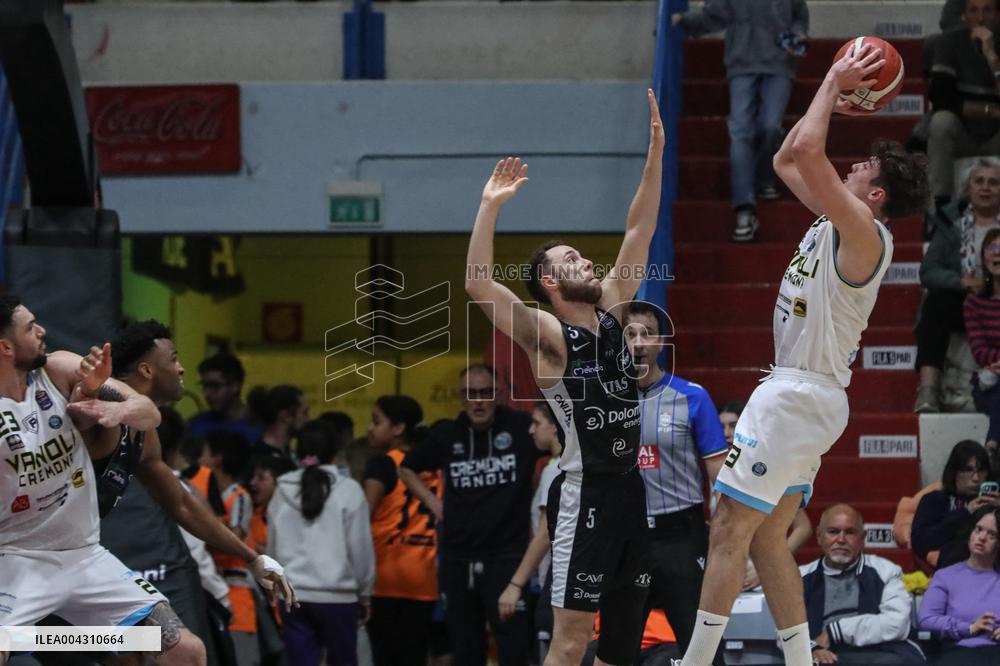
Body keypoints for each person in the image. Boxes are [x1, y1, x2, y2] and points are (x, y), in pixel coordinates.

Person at [680, 45, 931, 666]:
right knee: (768, 541)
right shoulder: (840, 219)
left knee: (728, 529)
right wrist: (832, 97)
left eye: (863, 167)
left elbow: (811, 153)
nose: (850, 167)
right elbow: (787, 156)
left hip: (795, 393)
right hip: (808, 396)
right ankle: (798, 661)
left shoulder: (864, 233)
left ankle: (693, 662)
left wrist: (831, 81)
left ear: (874, 196)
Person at [463, 89, 663, 666]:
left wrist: (655, 154)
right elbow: (479, 285)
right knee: (572, 641)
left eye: (581, 255)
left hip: (630, 492)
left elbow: (640, 227)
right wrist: (490, 206)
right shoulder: (547, 335)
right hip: (584, 493)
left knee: (621, 648)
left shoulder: (615, 307)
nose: (583, 261)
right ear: (549, 283)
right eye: (568, 260)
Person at [398, 366, 539, 666]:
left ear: (498, 395)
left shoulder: (521, 428)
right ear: (460, 398)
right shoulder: (446, 435)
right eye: (470, 394)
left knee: (513, 645)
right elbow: (406, 468)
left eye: (485, 393)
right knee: (465, 648)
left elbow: (557, 441)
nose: (478, 402)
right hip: (457, 557)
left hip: (506, 556)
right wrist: (435, 505)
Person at [621, 300, 728, 665]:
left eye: (646, 334)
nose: (637, 343)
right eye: (628, 334)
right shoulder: (605, 402)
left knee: (701, 648)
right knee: (616, 648)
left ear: (661, 343)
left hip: (681, 537)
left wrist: (725, 539)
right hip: (626, 539)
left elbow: (719, 476)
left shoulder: (692, 397)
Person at [672, 0, 809, 242]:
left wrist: (798, 35)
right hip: (741, 63)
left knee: (769, 127)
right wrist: (684, 21)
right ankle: (744, 208)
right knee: (741, 132)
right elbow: (713, 15)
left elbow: (799, 14)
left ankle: (766, 179)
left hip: (779, 63)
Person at [268, 421, 376, 666]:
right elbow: (360, 550)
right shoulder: (349, 490)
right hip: (339, 598)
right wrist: (365, 594)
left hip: (293, 597)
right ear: (336, 451)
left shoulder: (281, 490)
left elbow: (272, 547)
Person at [915, 158, 1000, 413]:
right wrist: (961, 281)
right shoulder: (952, 225)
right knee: (935, 303)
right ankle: (928, 391)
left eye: (993, 182)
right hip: (965, 301)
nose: (985, 188)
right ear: (969, 187)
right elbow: (928, 271)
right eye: (979, 181)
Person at [362, 395, 441, 666]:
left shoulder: (383, 464)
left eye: (376, 421)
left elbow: (364, 517)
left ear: (398, 428)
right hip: (425, 578)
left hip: (385, 576)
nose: (370, 428)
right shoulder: (435, 465)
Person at [801, 504, 926, 665]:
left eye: (850, 532)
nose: (841, 540)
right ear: (819, 536)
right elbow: (785, 628)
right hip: (825, 655)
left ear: (862, 538)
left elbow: (897, 624)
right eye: (833, 532)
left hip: (881, 651)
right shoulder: (800, 577)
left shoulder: (887, 571)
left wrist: (836, 631)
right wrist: (811, 648)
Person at [716, 399, 818, 591]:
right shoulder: (713, 470)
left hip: (759, 571)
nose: (726, 434)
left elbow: (803, 527)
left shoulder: (765, 467)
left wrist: (766, 568)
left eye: (733, 426)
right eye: (720, 427)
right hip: (723, 570)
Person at [497, 401, 563, 662]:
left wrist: (515, 585)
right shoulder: (569, 467)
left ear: (557, 426)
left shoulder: (554, 470)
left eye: (537, 423)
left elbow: (545, 534)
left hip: (556, 585)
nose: (530, 431)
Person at [928, 0, 1000, 209]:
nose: (980, 18)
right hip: (963, 133)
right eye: (974, 11)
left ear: (997, 14)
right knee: (941, 122)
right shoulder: (949, 41)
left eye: (987, 10)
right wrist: (991, 111)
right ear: (964, 15)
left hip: (996, 135)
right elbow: (941, 98)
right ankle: (941, 207)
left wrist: (991, 56)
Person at [198, 430, 260, 665]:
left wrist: (200, 528)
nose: (199, 460)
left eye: (204, 453)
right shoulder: (204, 494)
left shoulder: (239, 496)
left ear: (217, 458)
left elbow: (234, 540)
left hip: (237, 591)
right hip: (211, 586)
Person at [918, 506, 1000, 665]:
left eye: (992, 535)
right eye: (978, 529)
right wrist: (969, 628)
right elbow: (926, 619)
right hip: (958, 650)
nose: (982, 537)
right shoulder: (945, 576)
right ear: (969, 534)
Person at [912, 440, 1000, 568]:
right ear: (954, 472)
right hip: (951, 570)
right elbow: (920, 543)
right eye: (968, 470)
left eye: (981, 471)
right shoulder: (934, 500)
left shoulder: (993, 502)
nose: (976, 478)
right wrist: (965, 513)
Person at [965, 227, 1000, 445]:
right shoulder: (974, 303)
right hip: (991, 382)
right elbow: (980, 351)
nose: (997, 253)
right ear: (984, 257)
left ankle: (992, 447)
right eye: (993, 248)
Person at [188, 353, 260, 443]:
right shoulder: (196, 425)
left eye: (214, 385)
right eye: (204, 386)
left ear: (235, 386)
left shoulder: (257, 427)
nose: (207, 393)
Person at [247, 384, 309, 463]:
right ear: (285, 416)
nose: (308, 420)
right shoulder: (257, 459)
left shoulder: (295, 456)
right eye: (305, 413)